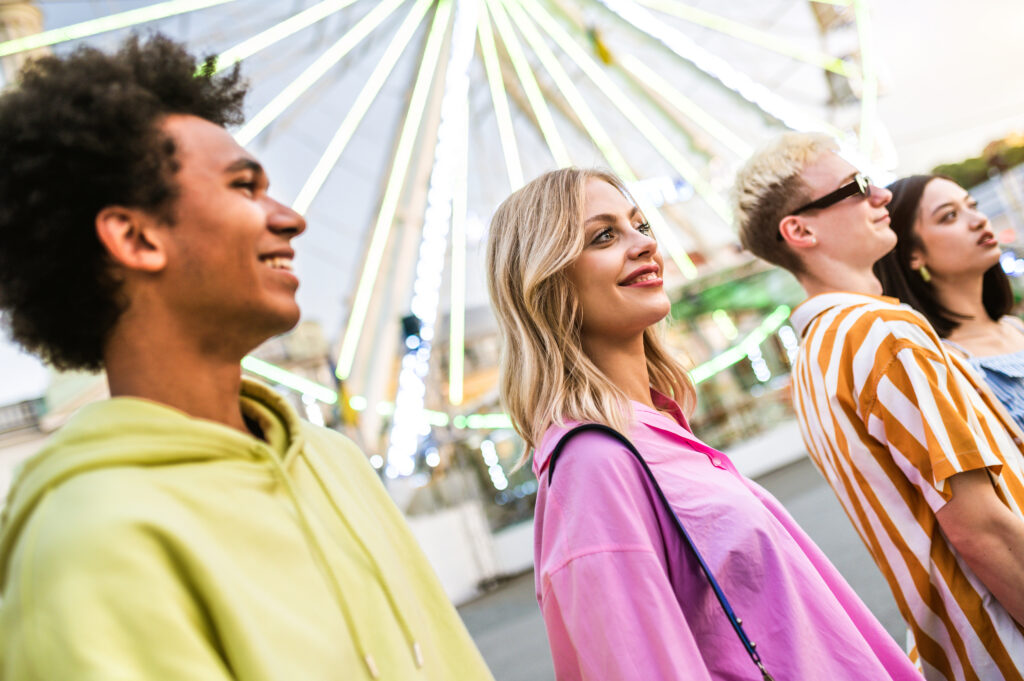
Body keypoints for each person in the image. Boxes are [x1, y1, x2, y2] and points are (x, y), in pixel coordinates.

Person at [0, 35, 493, 681]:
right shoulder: (88, 540)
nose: (290, 218)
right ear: (136, 236)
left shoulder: (333, 463)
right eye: (244, 187)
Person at [485, 167, 921, 680]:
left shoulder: (653, 431)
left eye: (641, 226)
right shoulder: (592, 464)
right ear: (546, 281)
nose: (644, 245)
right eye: (604, 235)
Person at [733, 132, 1024, 681]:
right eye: (856, 187)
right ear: (799, 230)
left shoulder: (815, 357)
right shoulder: (882, 331)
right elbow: (981, 528)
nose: (881, 196)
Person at [874, 174, 1024, 432]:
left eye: (972, 206)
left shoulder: (1015, 327)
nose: (978, 220)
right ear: (912, 253)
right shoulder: (942, 364)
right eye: (949, 216)